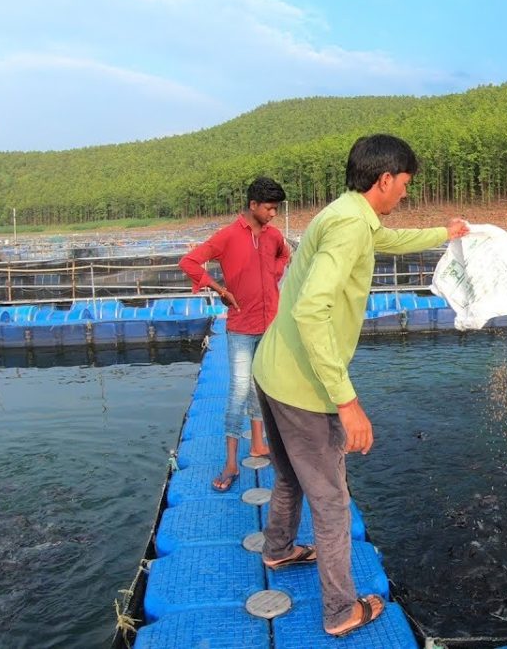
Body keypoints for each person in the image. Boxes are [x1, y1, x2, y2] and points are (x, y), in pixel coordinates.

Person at [252, 134, 468, 637]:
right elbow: (311, 310)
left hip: (272, 368)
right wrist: (347, 401)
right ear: (384, 179)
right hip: (303, 388)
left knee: (287, 475)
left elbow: (386, 240)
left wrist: (445, 231)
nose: (405, 195)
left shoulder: (346, 213)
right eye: (405, 185)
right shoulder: (351, 226)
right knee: (331, 501)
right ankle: (340, 611)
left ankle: (279, 549)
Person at [179, 176, 290, 492]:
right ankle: (230, 462)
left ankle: (258, 444)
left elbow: (284, 255)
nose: (272, 214)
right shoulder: (228, 236)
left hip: (270, 326)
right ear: (253, 205)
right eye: (268, 208)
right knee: (239, 390)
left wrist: (274, 273)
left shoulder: (274, 236)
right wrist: (218, 289)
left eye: (275, 209)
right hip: (241, 327)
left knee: (261, 386)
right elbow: (189, 262)